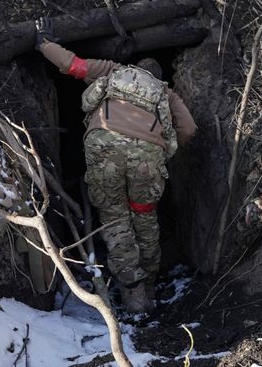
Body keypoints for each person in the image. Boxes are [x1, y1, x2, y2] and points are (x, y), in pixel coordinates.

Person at [34, 18, 196, 313]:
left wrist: (44, 43)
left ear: (134, 69)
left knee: (115, 219)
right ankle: (150, 283)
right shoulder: (165, 93)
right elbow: (188, 128)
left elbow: (73, 65)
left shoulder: (113, 71)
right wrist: (164, 151)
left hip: (104, 148)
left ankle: (133, 293)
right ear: (158, 78)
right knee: (144, 217)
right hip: (146, 159)